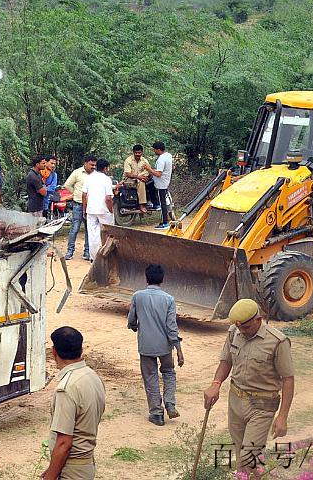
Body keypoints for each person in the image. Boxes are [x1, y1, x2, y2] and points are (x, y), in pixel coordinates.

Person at [203, 299, 295, 473]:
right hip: (236, 401)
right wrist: (215, 384)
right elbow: (226, 361)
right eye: (239, 328)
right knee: (242, 455)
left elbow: (288, 379)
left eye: (245, 328)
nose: (242, 332)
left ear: (258, 320)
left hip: (262, 405)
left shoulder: (278, 342)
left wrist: (282, 416)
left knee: (248, 455)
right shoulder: (234, 332)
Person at [42, 326, 106, 480]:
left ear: (54, 352)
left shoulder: (68, 387)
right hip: (86, 464)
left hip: (71, 469)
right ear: (81, 349)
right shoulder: (92, 377)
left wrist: (50, 476)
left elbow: (64, 443)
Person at [128, 264, 184, 426]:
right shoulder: (169, 299)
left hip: (146, 345)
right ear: (162, 280)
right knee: (169, 372)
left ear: (146, 279)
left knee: (150, 377)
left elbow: (132, 319)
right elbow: (171, 327)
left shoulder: (138, 296)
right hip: (165, 346)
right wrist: (178, 349)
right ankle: (170, 403)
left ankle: (156, 414)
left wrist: (134, 327)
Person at [62, 155, 96, 260]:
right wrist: (76, 193)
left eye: (95, 165)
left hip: (91, 205)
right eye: (91, 164)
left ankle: (87, 252)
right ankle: (70, 251)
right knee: (75, 228)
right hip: (78, 204)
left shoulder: (96, 175)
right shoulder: (77, 173)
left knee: (89, 229)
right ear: (85, 163)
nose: (93, 167)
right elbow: (67, 185)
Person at [81, 159, 114, 258]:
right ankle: (107, 255)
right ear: (105, 168)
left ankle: (94, 257)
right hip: (104, 210)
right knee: (108, 234)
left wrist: (84, 209)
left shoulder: (89, 178)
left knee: (92, 234)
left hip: (91, 210)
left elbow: (84, 195)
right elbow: (108, 198)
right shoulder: (106, 179)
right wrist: (111, 210)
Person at [144, 142, 173, 229]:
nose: (154, 151)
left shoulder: (161, 160)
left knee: (162, 203)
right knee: (149, 186)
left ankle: (165, 222)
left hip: (161, 184)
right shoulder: (168, 155)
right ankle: (153, 203)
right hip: (163, 181)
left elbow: (158, 174)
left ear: (158, 150)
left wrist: (149, 169)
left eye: (154, 149)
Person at [123, 145, 152, 213]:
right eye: (136, 153)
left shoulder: (144, 160)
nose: (137, 154)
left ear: (142, 152)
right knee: (140, 181)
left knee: (148, 178)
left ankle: (152, 202)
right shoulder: (128, 160)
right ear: (133, 152)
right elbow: (128, 174)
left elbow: (149, 171)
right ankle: (142, 204)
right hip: (129, 181)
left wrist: (146, 178)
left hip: (141, 179)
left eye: (139, 152)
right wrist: (139, 177)